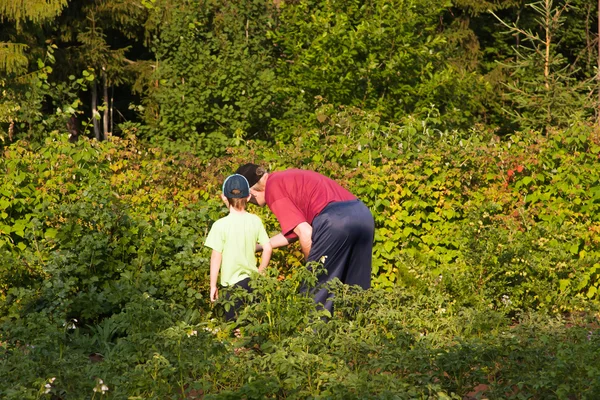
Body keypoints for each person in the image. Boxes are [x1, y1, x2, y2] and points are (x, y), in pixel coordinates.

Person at [235, 164, 374, 314]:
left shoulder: (272, 189)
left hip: (336, 220)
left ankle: (313, 336)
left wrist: (311, 271)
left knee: (314, 290)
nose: (248, 202)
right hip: (362, 215)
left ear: (252, 191)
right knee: (356, 288)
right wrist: (259, 246)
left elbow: (306, 233)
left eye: (246, 197)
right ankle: (360, 330)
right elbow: (294, 232)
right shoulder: (284, 178)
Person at [205, 174, 272, 321]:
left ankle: (239, 344)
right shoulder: (255, 221)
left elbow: (216, 257)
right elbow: (268, 248)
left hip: (231, 285)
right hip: (253, 282)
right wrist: (261, 271)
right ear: (248, 197)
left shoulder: (220, 225)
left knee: (235, 325)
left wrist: (212, 286)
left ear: (224, 197)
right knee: (253, 323)